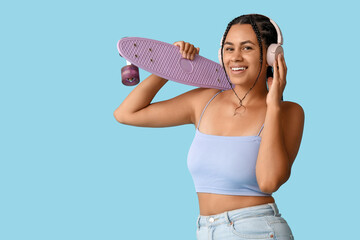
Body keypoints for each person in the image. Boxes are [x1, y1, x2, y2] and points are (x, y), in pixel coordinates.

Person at [114, 14, 304, 240]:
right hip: (206, 230)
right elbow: (126, 114)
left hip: (258, 229)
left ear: (272, 56)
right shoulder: (205, 101)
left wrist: (273, 105)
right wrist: (168, 65)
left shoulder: (288, 112)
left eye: (247, 48)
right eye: (229, 49)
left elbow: (268, 181)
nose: (235, 58)